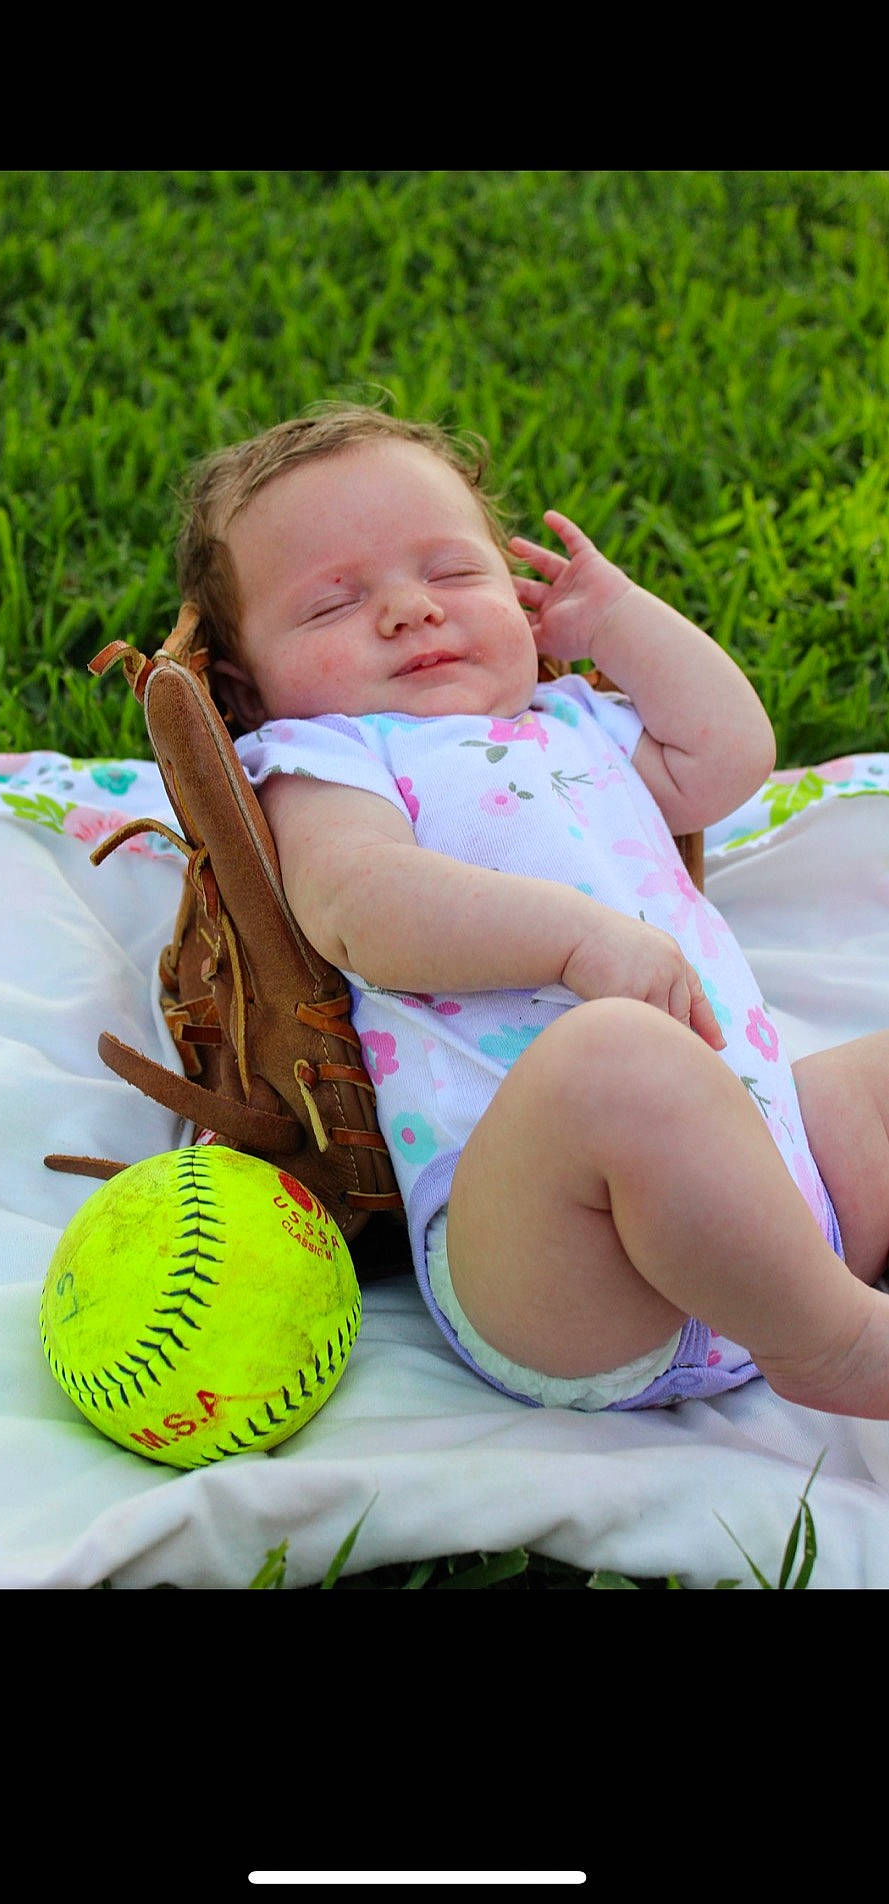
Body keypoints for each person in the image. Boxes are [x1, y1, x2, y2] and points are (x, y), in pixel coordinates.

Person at [175, 403, 889, 1417]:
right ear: (246, 690)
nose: (410, 609)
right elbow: (357, 902)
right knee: (615, 1062)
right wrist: (574, 939)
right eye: (333, 604)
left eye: (452, 572)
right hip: (557, 1259)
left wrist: (619, 620)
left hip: (776, 1178)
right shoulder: (328, 755)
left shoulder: (578, 722)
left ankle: (804, 1286)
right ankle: (837, 1341)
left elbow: (730, 758)